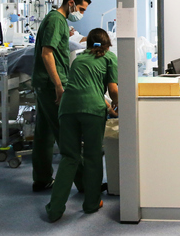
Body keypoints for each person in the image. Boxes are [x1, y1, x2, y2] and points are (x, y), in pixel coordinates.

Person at [45, 28, 118, 222]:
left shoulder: (78, 59)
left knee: (69, 157)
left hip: (67, 110)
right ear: (107, 45)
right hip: (92, 112)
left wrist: (108, 108)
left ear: (88, 44)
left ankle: (54, 209)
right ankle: (92, 204)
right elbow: (112, 89)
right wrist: (118, 105)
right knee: (93, 157)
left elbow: (86, 87)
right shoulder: (110, 58)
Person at [31, 0, 91, 192]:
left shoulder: (55, 20)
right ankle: (84, 183)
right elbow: (47, 54)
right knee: (66, 133)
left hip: (43, 82)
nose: (81, 14)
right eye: (81, 9)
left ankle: (42, 179)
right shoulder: (56, 20)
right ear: (71, 3)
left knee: (44, 133)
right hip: (50, 84)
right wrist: (58, 85)